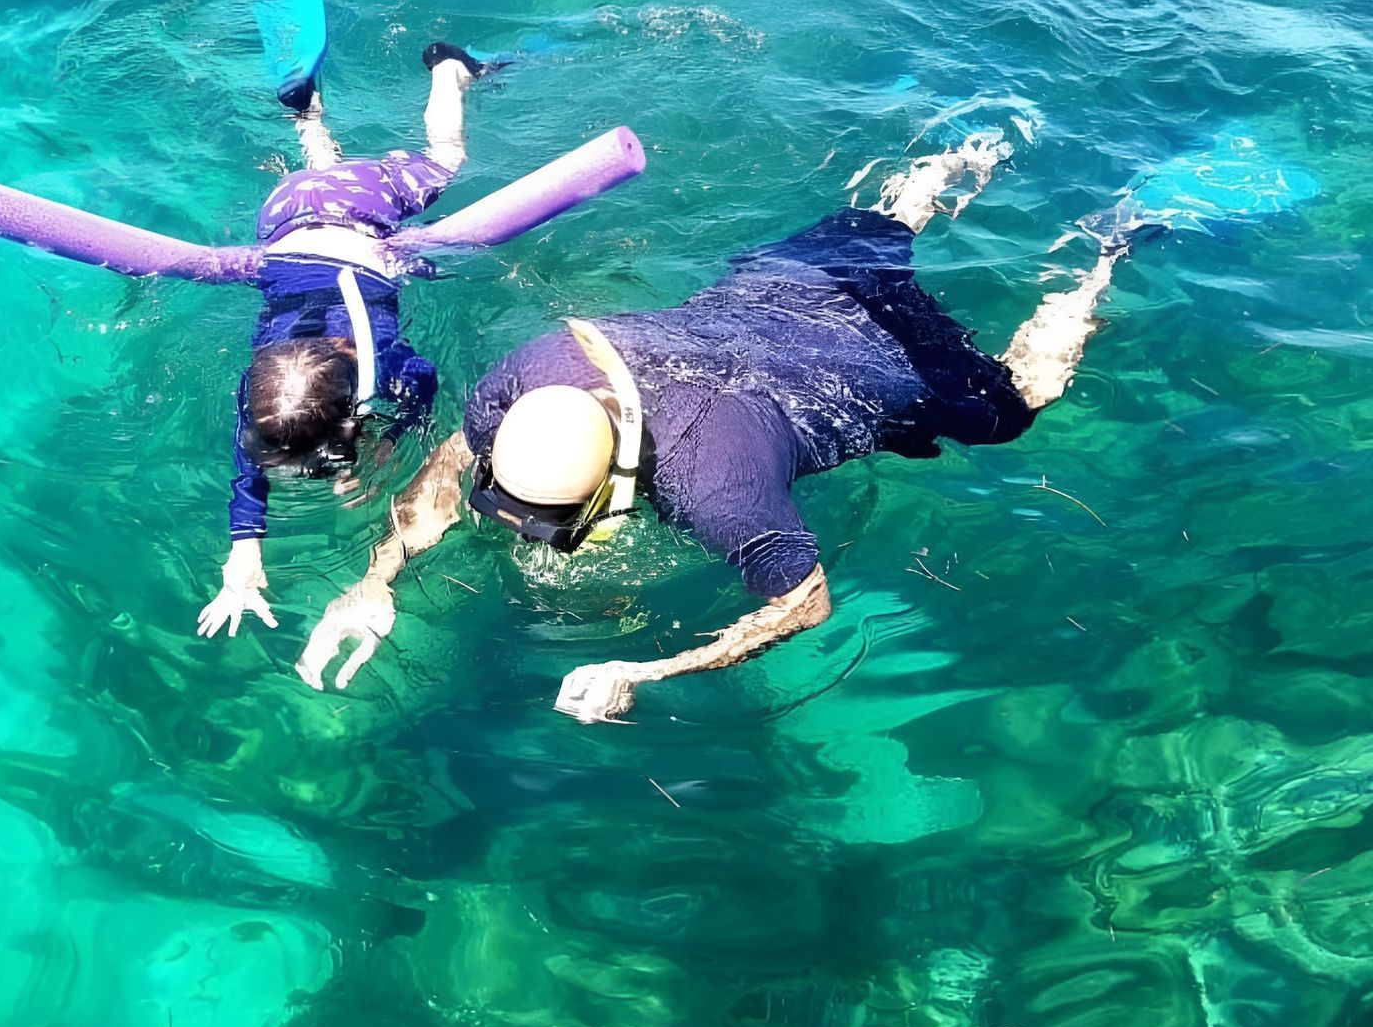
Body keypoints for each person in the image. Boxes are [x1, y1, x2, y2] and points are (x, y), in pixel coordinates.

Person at [292, 130, 1136, 721]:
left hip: (891, 367)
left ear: (614, 482)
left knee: (1016, 403)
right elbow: (451, 465)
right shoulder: (528, 377)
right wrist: (376, 582)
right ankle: (959, 160)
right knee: (884, 224)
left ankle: (1105, 259)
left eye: (560, 526)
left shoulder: (717, 488)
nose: (541, 543)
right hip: (787, 285)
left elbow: (804, 604)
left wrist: (647, 668)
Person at [194, 39, 509, 639]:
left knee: (446, 159)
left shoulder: (378, 365)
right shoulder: (270, 386)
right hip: (285, 216)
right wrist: (244, 555)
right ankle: (308, 118)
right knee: (418, 165)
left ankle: (450, 67)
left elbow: (424, 383)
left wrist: (391, 439)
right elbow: (253, 459)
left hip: (348, 205)